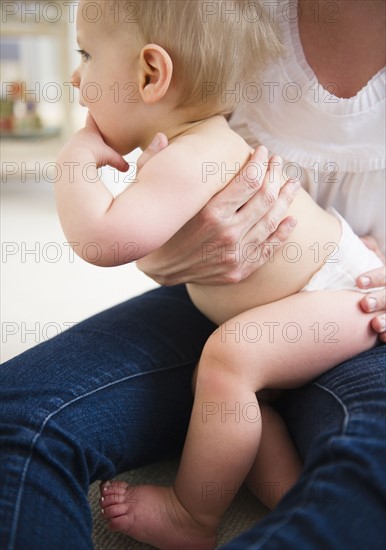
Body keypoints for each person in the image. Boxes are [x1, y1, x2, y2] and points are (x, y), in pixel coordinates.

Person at [0, 1, 384, 549]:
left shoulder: (191, 154)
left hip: (347, 293)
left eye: (86, 55)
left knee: (231, 359)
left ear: (152, 74)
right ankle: (295, 496)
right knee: (248, 421)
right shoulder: (193, 143)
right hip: (299, 293)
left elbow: (102, 241)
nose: (76, 77)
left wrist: (74, 161)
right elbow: (149, 249)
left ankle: (192, 513)